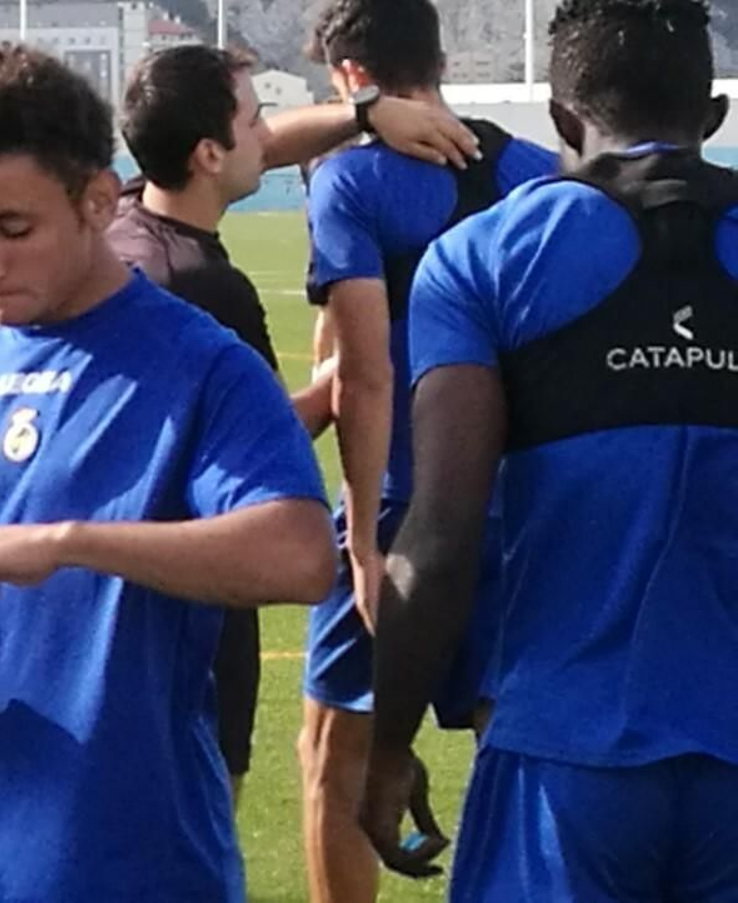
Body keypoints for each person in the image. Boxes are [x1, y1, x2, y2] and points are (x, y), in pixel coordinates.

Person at [0, 43, 337, 902]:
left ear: (96, 198)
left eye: (12, 229)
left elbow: (300, 554)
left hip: (149, 866)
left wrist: (72, 542)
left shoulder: (202, 364)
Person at [360, 1, 738, 899]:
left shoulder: (480, 259)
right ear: (714, 116)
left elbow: (439, 537)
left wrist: (386, 747)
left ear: (564, 121)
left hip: (564, 759)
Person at [108, 44, 480, 803]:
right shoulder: (207, 289)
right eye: (252, 120)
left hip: (123, 606)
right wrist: (348, 373)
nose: (268, 134)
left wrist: (368, 111)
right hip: (200, 617)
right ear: (208, 152)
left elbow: (264, 148)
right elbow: (260, 441)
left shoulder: (123, 223)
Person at [297, 1, 561, 899]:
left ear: (347, 77)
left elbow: (362, 375)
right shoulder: (534, 172)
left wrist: (364, 539)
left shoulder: (349, 180)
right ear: (440, 59)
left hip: (406, 495)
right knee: (517, 744)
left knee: (337, 754)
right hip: (514, 500)